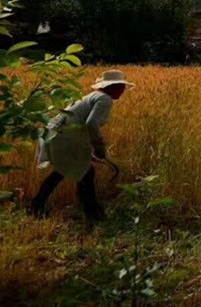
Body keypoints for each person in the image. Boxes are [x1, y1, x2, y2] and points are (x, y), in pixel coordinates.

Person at [29, 70, 134, 221]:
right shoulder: (105, 99)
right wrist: (99, 146)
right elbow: (91, 123)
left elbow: (79, 124)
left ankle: (40, 206)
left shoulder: (93, 96)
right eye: (120, 86)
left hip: (58, 134)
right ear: (111, 86)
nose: (123, 90)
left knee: (73, 172)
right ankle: (90, 212)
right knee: (79, 173)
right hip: (64, 136)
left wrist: (88, 153)